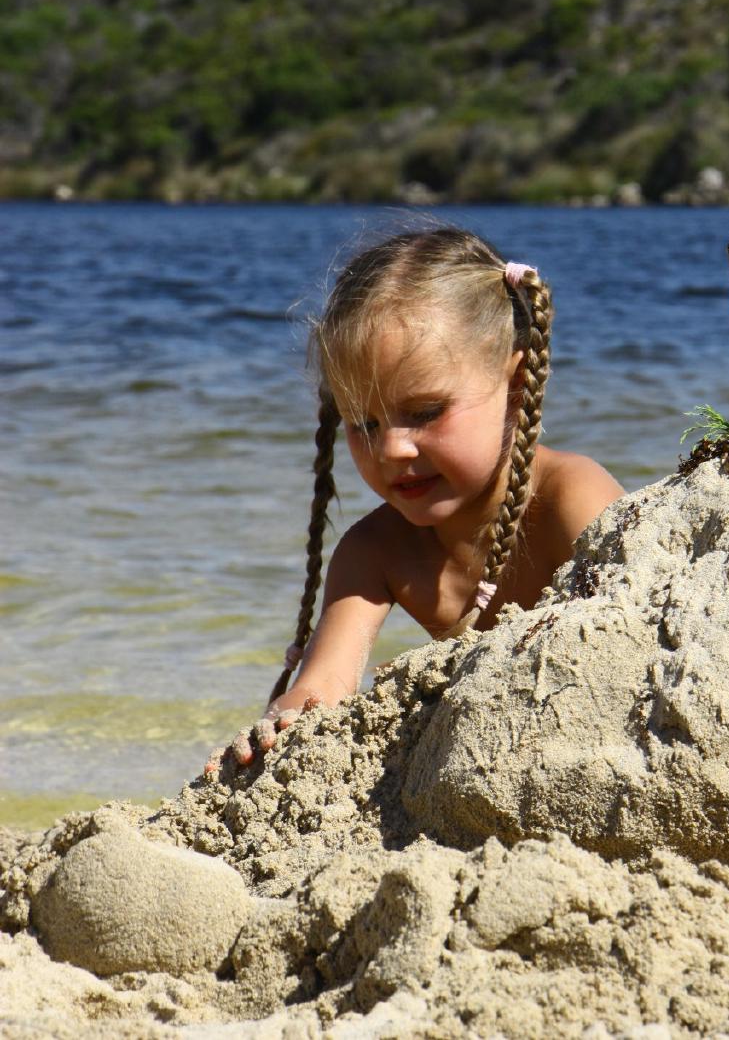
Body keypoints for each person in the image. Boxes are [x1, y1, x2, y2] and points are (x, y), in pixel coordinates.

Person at [207, 226, 623, 772]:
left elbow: (638, 634)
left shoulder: (573, 498)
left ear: (517, 386)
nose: (392, 449)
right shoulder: (376, 551)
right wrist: (280, 727)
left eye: (425, 413)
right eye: (363, 423)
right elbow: (322, 686)